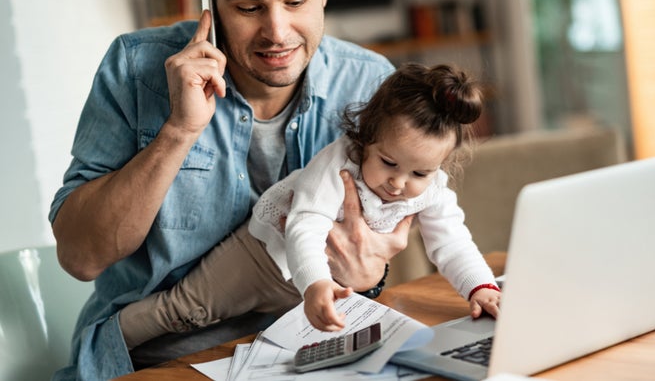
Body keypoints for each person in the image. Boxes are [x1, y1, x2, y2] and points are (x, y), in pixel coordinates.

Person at [48, 0, 411, 379]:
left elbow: (378, 245)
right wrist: (179, 130)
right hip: (159, 357)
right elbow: (81, 258)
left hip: (312, 349)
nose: (277, 32)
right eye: (248, 8)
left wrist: (369, 276)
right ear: (211, 1)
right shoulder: (134, 68)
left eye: (296, 1)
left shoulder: (370, 83)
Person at [118, 62, 502, 347]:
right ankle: (113, 337)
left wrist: (480, 288)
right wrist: (316, 283)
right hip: (262, 256)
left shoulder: (432, 188)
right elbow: (305, 224)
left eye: (420, 173)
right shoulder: (339, 163)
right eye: (388, 163)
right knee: (185, 311)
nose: (399, 184)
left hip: (313, 285)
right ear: (366, 137)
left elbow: (452, 241)